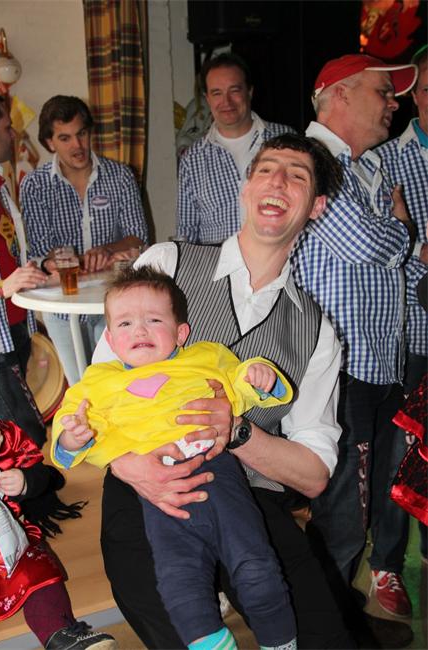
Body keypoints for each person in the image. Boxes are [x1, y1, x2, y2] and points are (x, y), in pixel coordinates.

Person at [92, 133, 357, 649]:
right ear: (245, 187)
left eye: (297, 176)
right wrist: (133, 468)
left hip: (250, 499)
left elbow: (314, 474)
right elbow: (97, 391)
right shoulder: (168, 263)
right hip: (149, 485)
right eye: (267, 169)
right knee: (180, 631)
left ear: (317, 206)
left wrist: (237, 431)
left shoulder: (317, 332)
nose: (277, 181)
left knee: (322, 637)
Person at [51, 265, 297, 650]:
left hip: (218, 474)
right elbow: (70, 426)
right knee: (179, 581)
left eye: (153, 319)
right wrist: (72, 435)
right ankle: (210, 643)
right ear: (110, 339)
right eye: (126, 323)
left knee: (256, 567)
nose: (140, 330)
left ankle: (280, 642)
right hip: (159, 494)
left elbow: (240, 385)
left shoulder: (206, 357)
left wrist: (258, 375)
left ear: (180, 333)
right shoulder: (98, 383)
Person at [289, 54, 420, 626]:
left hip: (377, 364)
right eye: (381, 92)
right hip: (338, 369)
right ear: (338, 94)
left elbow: (387, 256)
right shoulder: (311, 159)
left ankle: (339, 614)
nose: (393, 103)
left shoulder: (365, 166)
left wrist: (394, 237)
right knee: (342, 511)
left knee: (363, 501)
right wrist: (403, 229)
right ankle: (328, 627)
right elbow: (367, 245)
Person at [20, 95, 148, 385]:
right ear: (50, 142)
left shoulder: (120, 176)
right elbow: (40, 249)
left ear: (90, 133)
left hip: (115, 300)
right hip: (63, 307)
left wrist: (107, 249)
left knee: (118, 385)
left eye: (81, 134)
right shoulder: (35, 185)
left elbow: (138, 236)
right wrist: (70, 260)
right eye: (64, 138)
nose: (76, 146)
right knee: (81, 388)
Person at [373, 44, 428, 615]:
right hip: (412, 328)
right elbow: (390, 246)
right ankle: (386, 563)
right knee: (399, 450)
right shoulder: (388, 159)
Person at [0, 417, 117, 650]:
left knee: (37, 570)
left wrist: (25, 482)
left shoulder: (8, 435)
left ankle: (60, 634)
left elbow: (42, 474)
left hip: (10, 541)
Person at [176, 52, 295, 244]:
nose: (226, 102)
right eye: (217, 93)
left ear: (250, 92)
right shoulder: (192, 159)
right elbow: (186, 232)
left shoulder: (286, 140)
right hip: (218, 262)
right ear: (207, 98)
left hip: (281, 258)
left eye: (234, 90)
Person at [0, 93, 48, 448]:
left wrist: (40, 268)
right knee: (23, 436)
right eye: (6, 127)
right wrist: (2, 287)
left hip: (14, 326)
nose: (13, 134)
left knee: (22, 435)